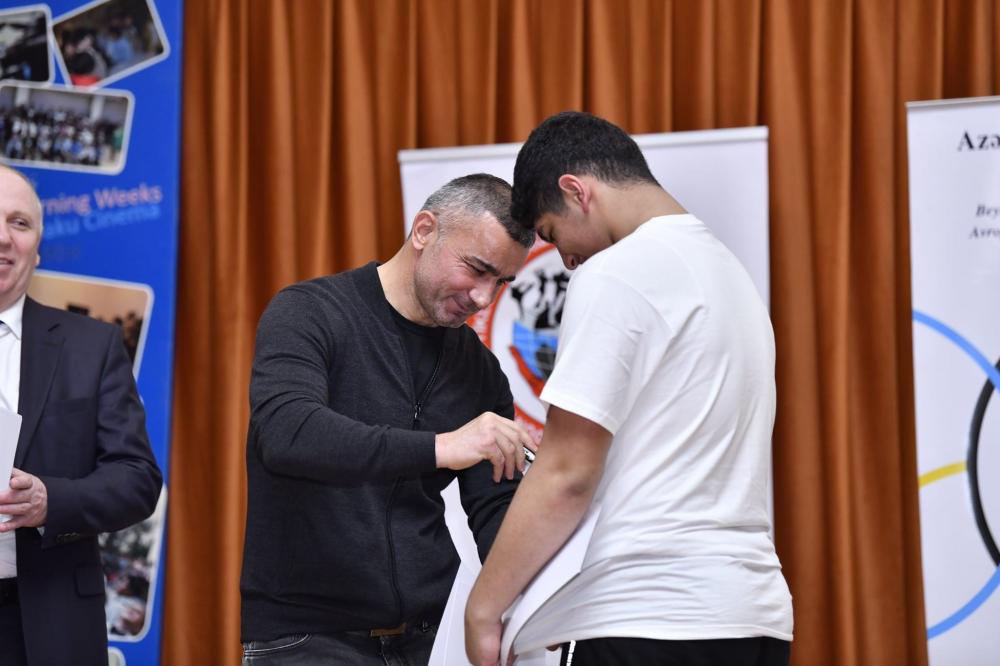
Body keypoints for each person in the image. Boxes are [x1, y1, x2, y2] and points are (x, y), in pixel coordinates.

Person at [465, 111, 794, 666]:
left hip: (650, 615)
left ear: (577, 191)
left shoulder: (617, 271)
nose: (567, 261)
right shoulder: (730, 273)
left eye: (553, 234)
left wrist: (483, 609)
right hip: (753, 614)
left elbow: (568, 473)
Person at [240, 173, 539, 664]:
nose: (484, 298)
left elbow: (495, 509)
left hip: (431, 636)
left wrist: (528, 599)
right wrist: (442, 447)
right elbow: (288, 432)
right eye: (476, 269)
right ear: (424, 230)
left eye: (501, 282)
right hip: (308, 638)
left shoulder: (479, 369)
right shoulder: (309, 312)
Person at [0, 165, 162, 666]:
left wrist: (51, 501)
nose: (3, 237)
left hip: (45, 623)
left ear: (37, 249)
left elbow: (137, 479)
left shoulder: (92, 346)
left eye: (19, 223)